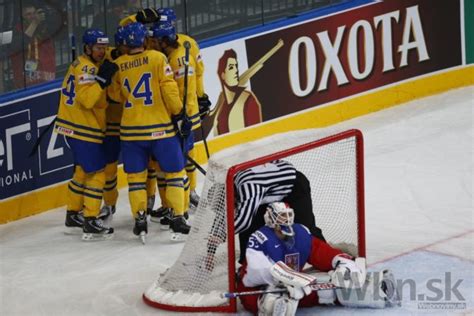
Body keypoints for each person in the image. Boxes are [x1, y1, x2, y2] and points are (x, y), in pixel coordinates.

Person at [237, 202, 401, 315]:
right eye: (280, 217)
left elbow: (320, 251)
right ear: (271, 219)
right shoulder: (260, 237)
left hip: (296, 288)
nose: (285, 220)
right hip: (256, 289)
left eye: (287, 216)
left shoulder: (300, 233)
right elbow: (255, 272)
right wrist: (291, 279)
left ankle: (377, 291)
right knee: (274, 300)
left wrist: (341, 261)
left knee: (329, 286)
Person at [107, 22, 190, 242]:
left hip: (131, 133)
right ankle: (178, 217)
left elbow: (115, 97)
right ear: (144, 40)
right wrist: (179, 114)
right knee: (174, 174)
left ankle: (140, 219)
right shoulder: (156, 58)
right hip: (160, 130)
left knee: (136, 179)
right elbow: (169, 89)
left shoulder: (118, 64)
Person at [55, 28, 118, 241]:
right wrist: (101, 80)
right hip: (83, 128)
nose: (103, 51)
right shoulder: (88, 69)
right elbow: (89, 100)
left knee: (82, 171)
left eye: (104, 47)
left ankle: (72, 215)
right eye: (98, 48)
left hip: (74, 125)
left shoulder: (80, 63)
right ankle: (91, 219)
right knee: (98, 172)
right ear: (88, 48)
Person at [147, 22, 202, 227]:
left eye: (156, 40)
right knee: (169, 166)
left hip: (181, 118)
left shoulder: (178, 59)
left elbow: (182, 93)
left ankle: (183, 208)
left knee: (179, 166)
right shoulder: (173, 55)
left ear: (164, 41)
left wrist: (182, 117)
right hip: (178, 117)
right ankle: (172, 206)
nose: (152, 43)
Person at [231, 159, 325, 263]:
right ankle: (247, 266)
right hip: (269, 189)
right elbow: (224, 214)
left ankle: (326, 256)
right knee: (251, 229)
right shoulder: (231, 182)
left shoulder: (248, 187)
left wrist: (221, 236)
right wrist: (214, 238)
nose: (234, 207)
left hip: (294, 186)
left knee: (304, 227)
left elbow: (243, 222)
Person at [98, 26, 129, 222]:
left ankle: (151, 202)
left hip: (137, 122)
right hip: (112, 123)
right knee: (109, 168)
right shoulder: (106, 57)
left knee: (148, 167)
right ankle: (109, 204)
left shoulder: (148, 56)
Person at [206, 49, 262, 137]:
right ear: (223, 75)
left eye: (236, 66)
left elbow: (258, 136)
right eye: (231, 67)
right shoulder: (221, 102)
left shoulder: (248, 100)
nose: (236, 70)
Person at [10, 1, 60, 89]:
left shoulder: (44, 26)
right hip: (26, 75)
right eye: (28, 14)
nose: (32, 17)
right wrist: (34, 23)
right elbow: (21, 43)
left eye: (34, 13)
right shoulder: (17, 29)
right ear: (22, 16)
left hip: (45, 71)